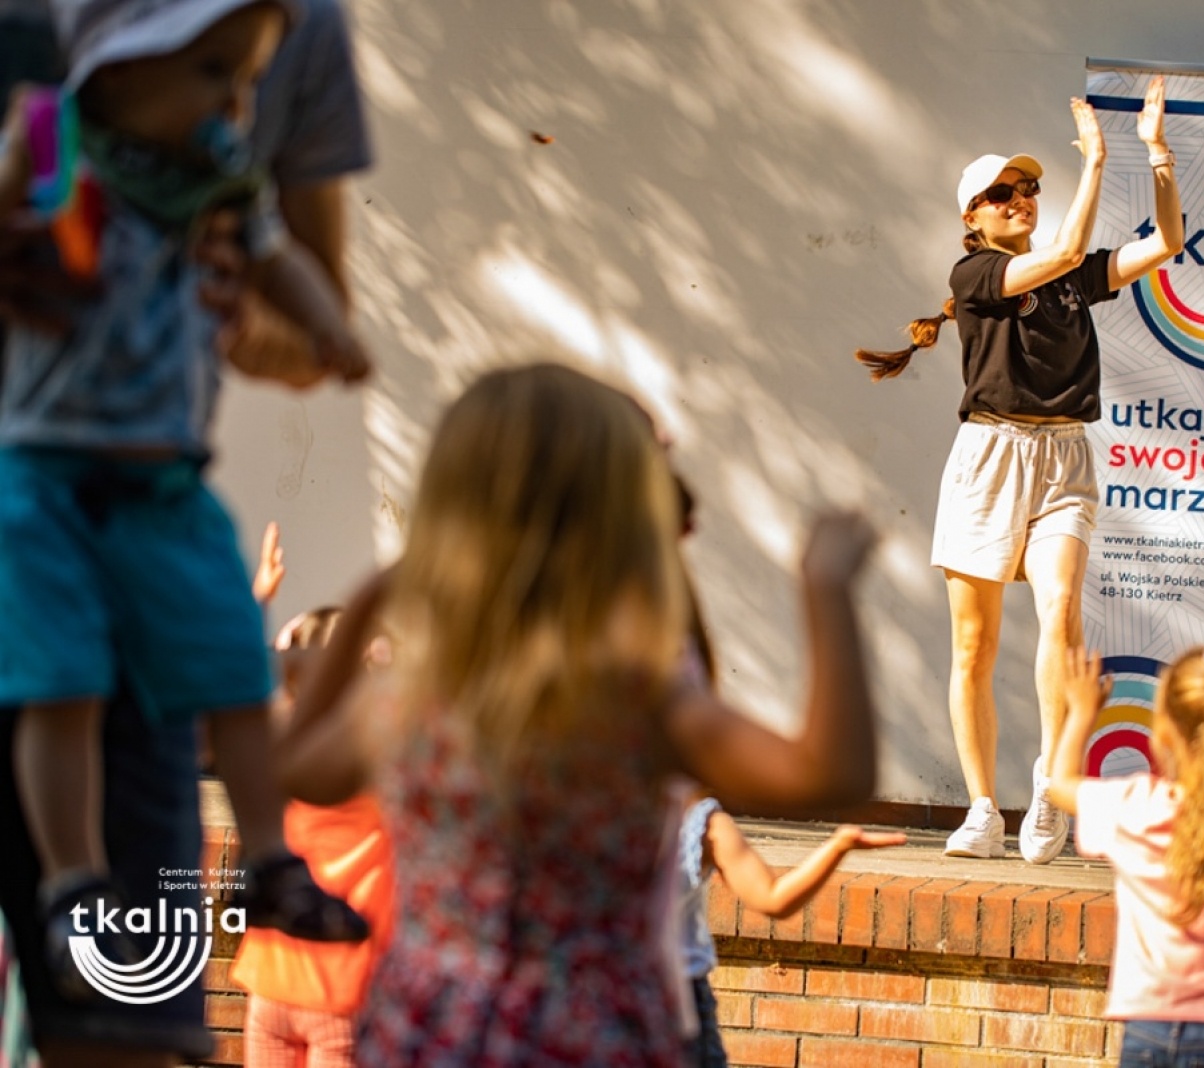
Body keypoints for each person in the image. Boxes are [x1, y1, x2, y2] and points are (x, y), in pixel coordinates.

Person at [274, 362, 881, 1068]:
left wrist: (370, 600)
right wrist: (827, 591)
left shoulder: (416, 695)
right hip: (586, 1036)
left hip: (428, 1027)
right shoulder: (631, 698)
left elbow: (300, 771)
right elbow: (829, 777)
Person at [0, 0, 374, 1060]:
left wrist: (323, 330)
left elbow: (296, 303)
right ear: (118, 65)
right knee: (59, 693)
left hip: (160, 489)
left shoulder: (260, 84)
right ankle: (72, 882)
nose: (238, 103)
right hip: (45, 491)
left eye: (246, 77)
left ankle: (266, 862)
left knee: (233, 666)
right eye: (216, 74)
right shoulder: (48, 131)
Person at [855, 77, 1184, 863]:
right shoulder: (973, 277)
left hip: (1064, 455)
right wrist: (1097, 160)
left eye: (1030, 189)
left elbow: (1165, 244)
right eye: (1003, 194)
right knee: (975, 644)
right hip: (990, 457)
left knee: (1063, 611)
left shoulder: (1069, 276)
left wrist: (1158, 155)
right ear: (972, 216)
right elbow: (1068, 249)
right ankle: (979, 809)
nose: (1021, 200)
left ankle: (1047, 780)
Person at [1047, 645, 1204, 1067]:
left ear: (1161, 733)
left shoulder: (1135, 804)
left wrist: (1080, 712)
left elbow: (1061, 783)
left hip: (1146, 1029)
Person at [232, 604, 395, 1068]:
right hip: (342, 985)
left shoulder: (283, 757)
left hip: (271, 978)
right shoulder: (375, 761)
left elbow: (253, 695)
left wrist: (268, 617)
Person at [678, 797, 905, 1067]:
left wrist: (837, 847)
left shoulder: (700, 823)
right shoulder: (700, 822)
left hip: (677, 1000)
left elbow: (771, 897)